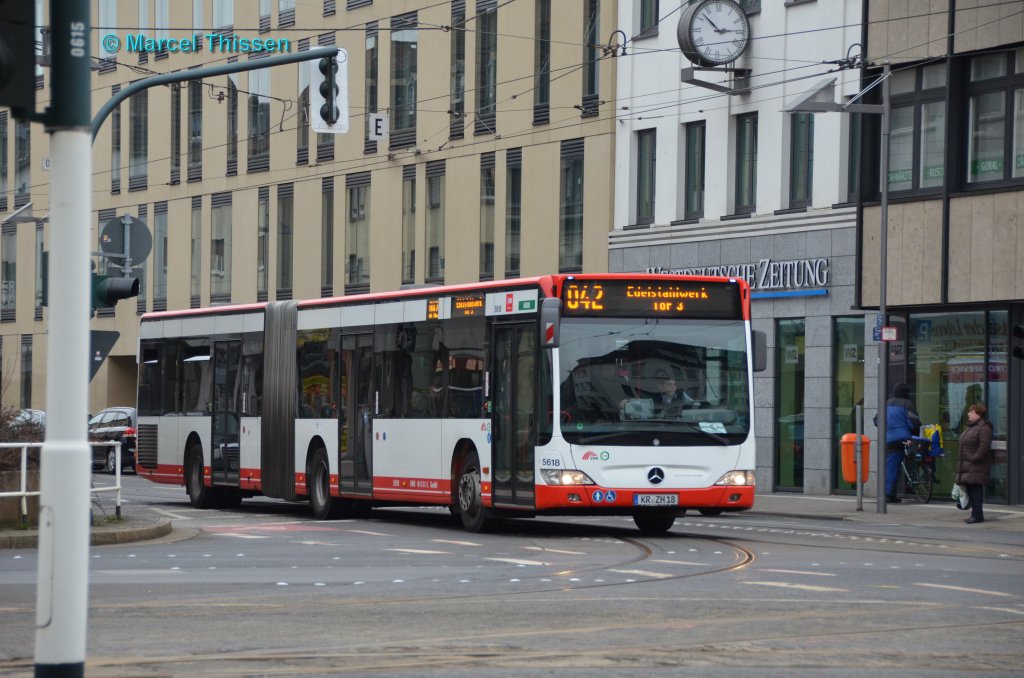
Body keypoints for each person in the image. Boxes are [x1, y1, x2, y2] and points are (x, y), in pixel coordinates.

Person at [878, 382, 921, 504]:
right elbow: (914, 422)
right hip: (904, 437)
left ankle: (892, 491)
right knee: (915, 455)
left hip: (890, 439)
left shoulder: (886, 403)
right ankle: (889, 494)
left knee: (892, 465)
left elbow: (877, 420)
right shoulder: (907, 403)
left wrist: (888, 428)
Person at [955, 403, 993, 524]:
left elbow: (984, 446)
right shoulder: (971, 427)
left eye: (972, 412)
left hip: (976, 465)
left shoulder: (984, 428)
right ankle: (972, 511)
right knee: (970, 489)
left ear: (979, 414)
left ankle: (977, 515)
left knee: (975, 490)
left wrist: (974, 458)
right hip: (968, 465)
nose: (969, 414)